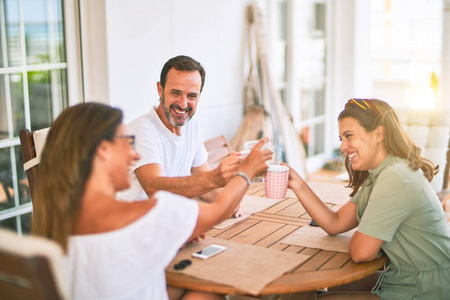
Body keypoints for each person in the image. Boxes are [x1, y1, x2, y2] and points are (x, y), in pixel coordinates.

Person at [31, 102, 272, 300]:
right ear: (104, 150)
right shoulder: (149, 215)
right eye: (128, 143)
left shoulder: (53, 222)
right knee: (213, 290)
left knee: (199, 287)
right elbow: (219, 210)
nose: (136, 155)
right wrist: (246, 171)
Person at [284, 99, 450, 299]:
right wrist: (298, 184)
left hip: (427, 289)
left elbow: (362, 253)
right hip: (403, 277)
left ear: (379, 134)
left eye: (349, 136)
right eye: (341, 138)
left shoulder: (395, 176)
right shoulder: (380, 173)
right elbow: (335, 223)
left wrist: (369, 230)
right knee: (331, 287)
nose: (343, 146)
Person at [117, 55, 242, 217]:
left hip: (165, 218)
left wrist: (226, 201)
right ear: (160, 90)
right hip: (131, 224)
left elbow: (204, 185)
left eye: (191, 96)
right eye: (176, 93)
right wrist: (215, 178)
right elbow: (155, 189)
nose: (183, 104)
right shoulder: (141, 130)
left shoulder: (191, 125)